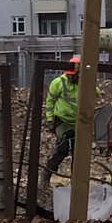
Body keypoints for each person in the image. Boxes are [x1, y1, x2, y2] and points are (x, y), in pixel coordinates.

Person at [40, 56, 96, 191]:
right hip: (62, 122)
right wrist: (50, 120)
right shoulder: (58, 83)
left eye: (74, 75)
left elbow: (96, 93)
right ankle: (46, 177)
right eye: (69, 75)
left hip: (79, 123)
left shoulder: (84, 84)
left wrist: (88, 83)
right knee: (62, 150)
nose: (71, 77)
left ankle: (76, 182)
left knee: (79, 154)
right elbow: (50, 102)